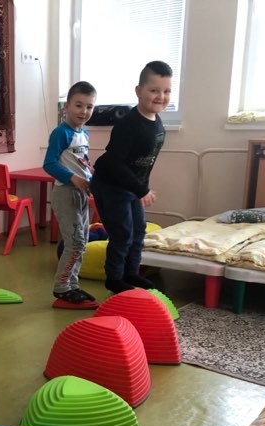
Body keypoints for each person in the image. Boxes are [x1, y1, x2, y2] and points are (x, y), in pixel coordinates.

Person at [91, 60, 172, 294]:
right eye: (154, 90)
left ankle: (131, 273)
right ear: (139, 91)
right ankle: (114, 279)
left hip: (131, 187)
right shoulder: (128, 124)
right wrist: (141, 189)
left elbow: (144, 163)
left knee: (138, 231)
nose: (160, 96)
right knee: (122, 233)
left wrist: (141, 187)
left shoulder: (157, 122)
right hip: (110, 184)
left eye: (166, 91)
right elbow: (114, 162)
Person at [43, 80, 98, 307]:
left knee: (81, 242)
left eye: (89, 106)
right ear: (66, 106)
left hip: (81, 194)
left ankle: (72, 285)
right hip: (66, 194)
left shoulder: (84, 133)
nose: (84, 111)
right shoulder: (61, 133)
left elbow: (82, 163)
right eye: (78, 105)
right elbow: (49, 164)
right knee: (75, 243)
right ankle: (62, 288)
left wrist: (92, 178)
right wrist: (73, 178)